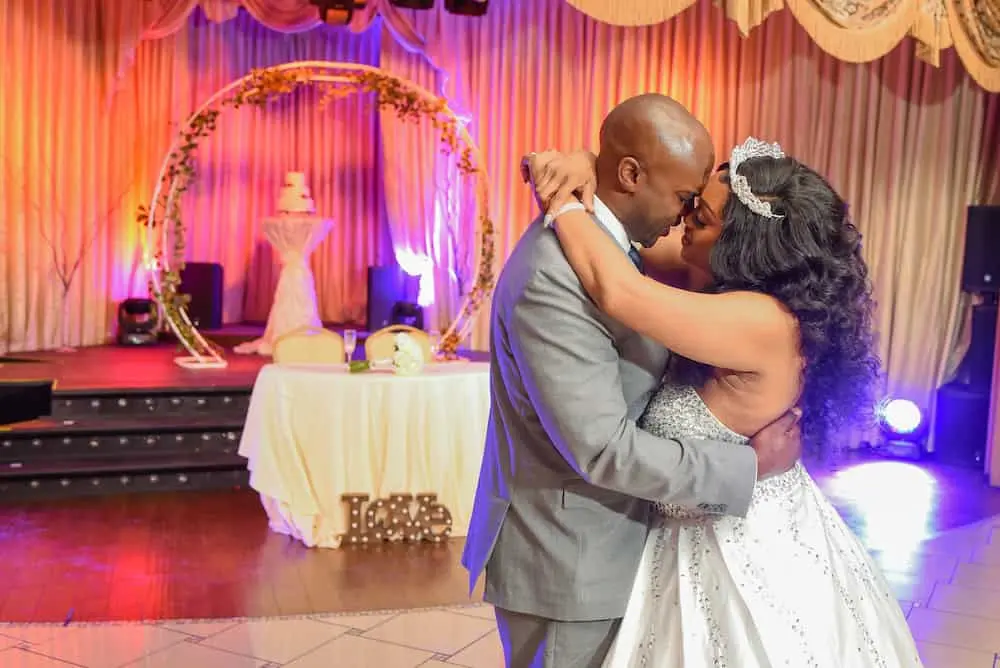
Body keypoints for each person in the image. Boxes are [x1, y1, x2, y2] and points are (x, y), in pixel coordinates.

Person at [524, 138, 923, 666]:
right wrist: (583, 167)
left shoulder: (759, 320)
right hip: (697, 528)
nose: (684, 218)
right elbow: (630, 233)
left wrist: (564, 201)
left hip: (736, 547)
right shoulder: (729, 285)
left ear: (743, 245)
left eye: (702, 215)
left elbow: (617, 289)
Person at [460, 94, 803, 668]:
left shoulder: (616, 245)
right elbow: (603, 450)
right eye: (683, 198)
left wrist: (574, 167)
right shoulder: (558, 273)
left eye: (700, 209)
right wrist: (751, 466)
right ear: (629, 174)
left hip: (622, 547)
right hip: (569, 557)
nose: (685, 216)